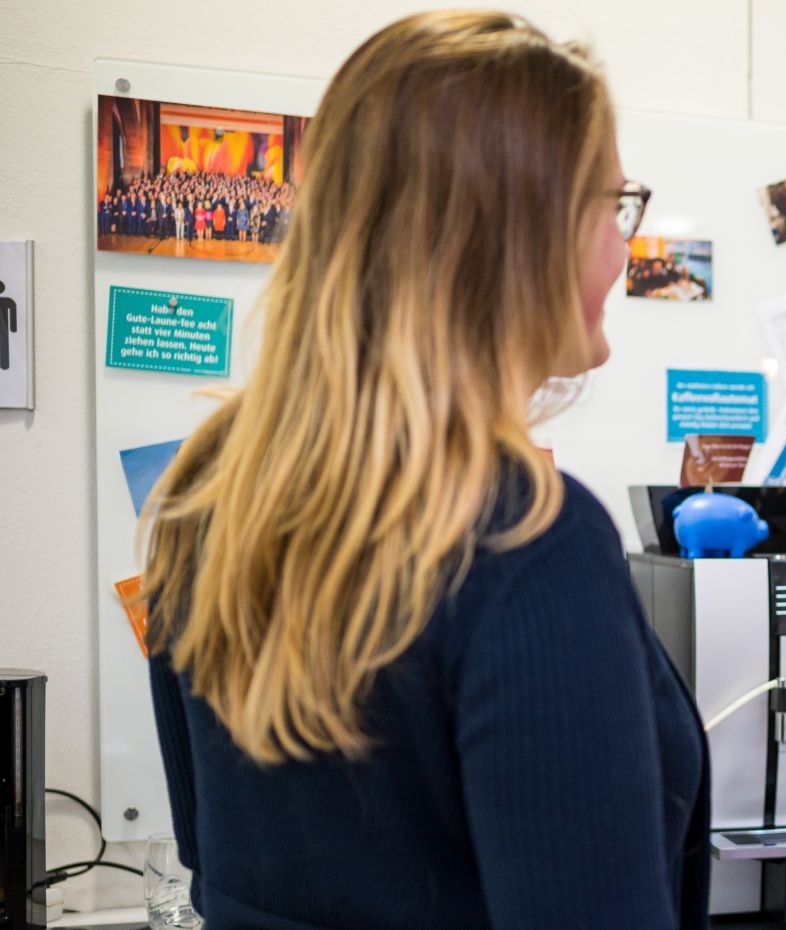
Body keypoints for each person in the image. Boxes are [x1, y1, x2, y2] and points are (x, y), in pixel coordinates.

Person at [137, 12, 707, 929]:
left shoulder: (206, 495)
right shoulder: (529, 541)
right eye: (613, 204)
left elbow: (214, 871)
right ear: (514, 233)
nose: (622, 246)